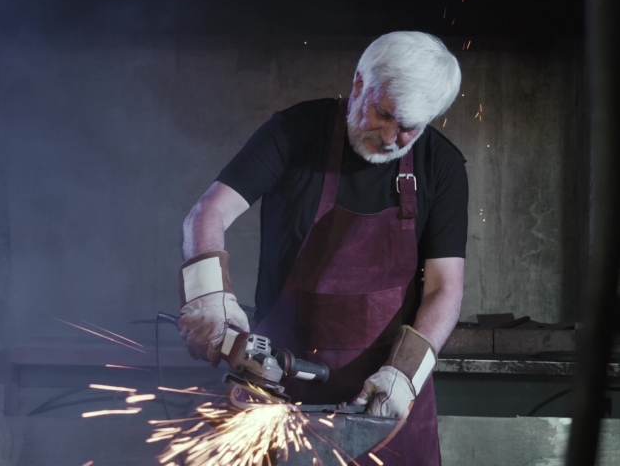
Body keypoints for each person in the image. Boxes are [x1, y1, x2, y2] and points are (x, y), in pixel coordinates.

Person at [176, 31, 466, 465]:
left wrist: (406, 377)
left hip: (386, 400)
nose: (390, 137)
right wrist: (209, 296)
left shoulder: (439, 165)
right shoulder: (295, 133)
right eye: (383, 114)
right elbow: (208, 214)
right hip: (278, 386)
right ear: (358, 86)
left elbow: (445, 287)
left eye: (408, 128)